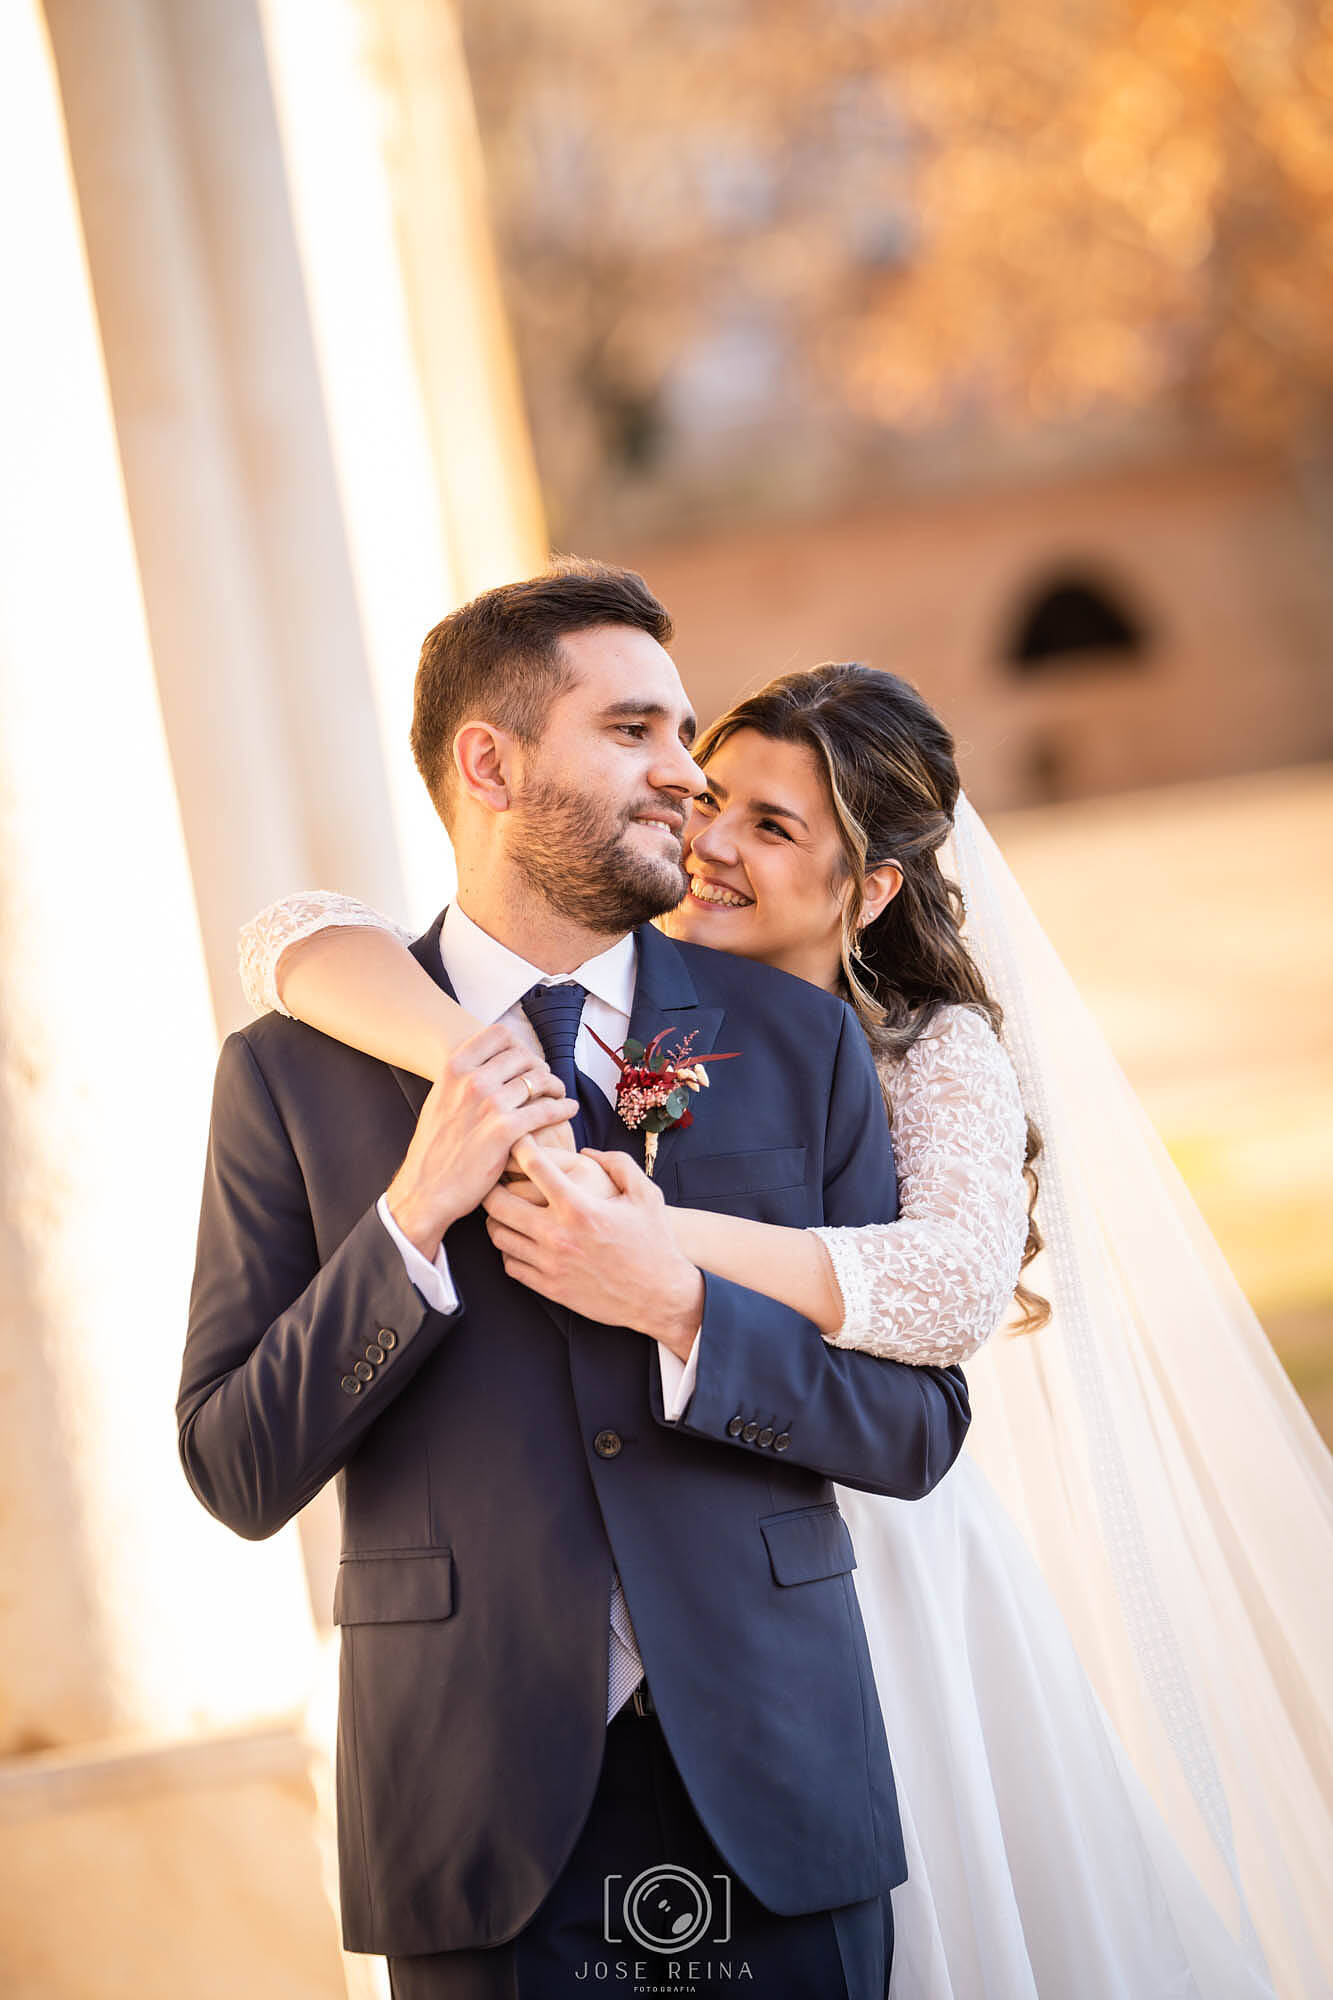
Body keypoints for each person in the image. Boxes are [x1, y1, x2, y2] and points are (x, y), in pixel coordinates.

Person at [240, 652, 1333, 1997]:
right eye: (711, 802)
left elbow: (942, 1286)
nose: (710, 844)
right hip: (574, 1593)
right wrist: (473, 1076)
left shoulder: (920, 1051)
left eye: (773, 826)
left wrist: (653, 1250)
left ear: (869, 886)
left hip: (864, 1557)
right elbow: (294, 934)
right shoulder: (614, 1015)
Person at [179, 562, 974, 2000]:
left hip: (775, 1782)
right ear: (488, 762)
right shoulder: (292, 1075)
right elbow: (234, 1468)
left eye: (684, 733)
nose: (686, 777)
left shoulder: (800, 1047)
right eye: (634, 734)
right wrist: (411, 1222)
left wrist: (682, 1313)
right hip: (473, 1813)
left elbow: (918, 1432)